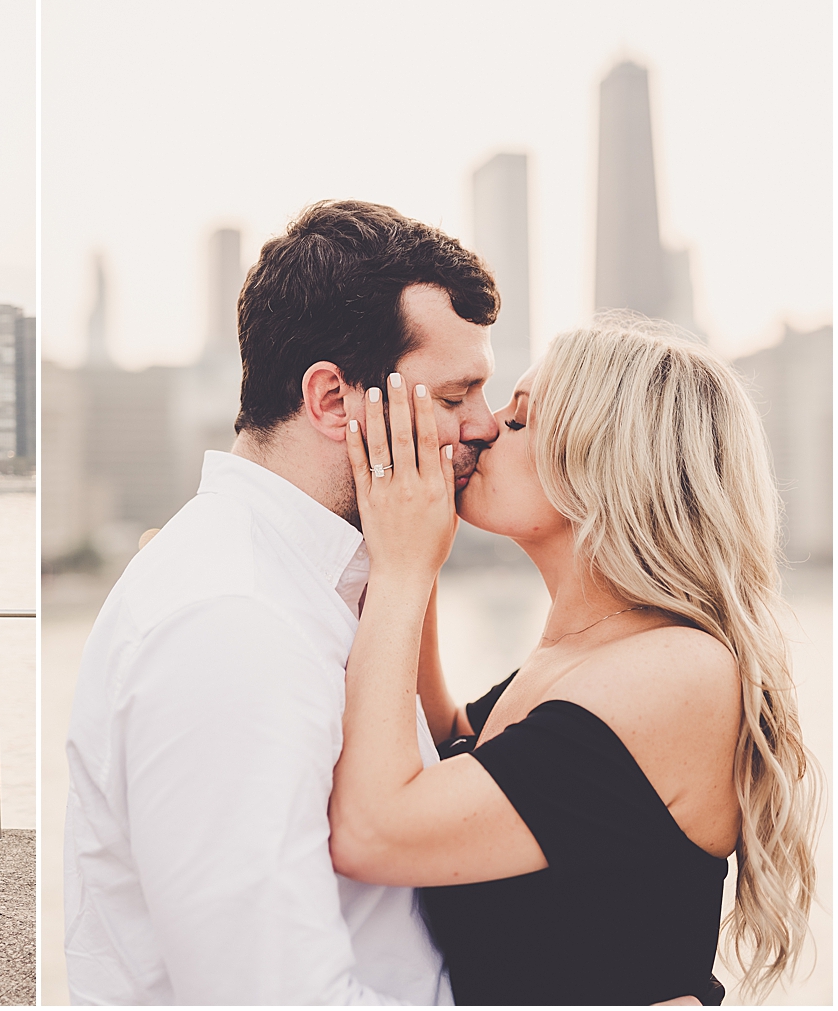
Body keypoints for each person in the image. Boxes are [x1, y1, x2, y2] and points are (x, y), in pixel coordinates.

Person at [63, 200, 502, 1003]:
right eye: (452, 397)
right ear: (333, 400)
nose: (485, 425)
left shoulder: (305, 586)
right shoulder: (230, 620)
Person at [329, 319, 821, 1004]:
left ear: (607, 464)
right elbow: (443, 739)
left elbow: (372, 830)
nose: (482, 428)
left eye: (521, 418)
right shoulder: (583, 655)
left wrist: (405, 571)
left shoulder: (680, 670)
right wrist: (414, 546)